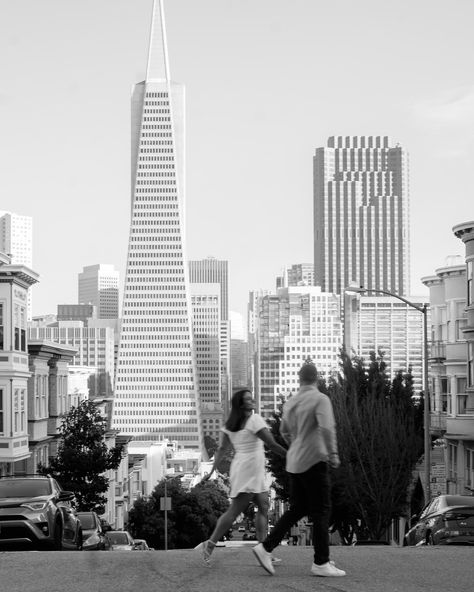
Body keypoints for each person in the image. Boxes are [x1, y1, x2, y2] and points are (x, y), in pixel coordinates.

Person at [253, 362, 346, 577]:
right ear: (317, 379)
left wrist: (297, 444)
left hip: (294, 462)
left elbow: (284, 432)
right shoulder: (320, 399)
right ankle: (321, 562)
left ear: (299, 379)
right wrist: (332, 454)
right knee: (322, 510)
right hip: (314, 461)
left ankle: (265, 547)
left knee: (298, 508)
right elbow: (326, 428)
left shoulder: (291, 402)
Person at [195, 388, 287, 565]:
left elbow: (221, 450)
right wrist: (290, 456)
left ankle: (264, 550)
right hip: (250, 470)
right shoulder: (254, 420)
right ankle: (210, 544)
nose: (252, 400)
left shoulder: (230, 425)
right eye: (248, 399)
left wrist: (212, 471)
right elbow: (271, 444)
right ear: (241, 404)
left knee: (263, 505)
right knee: (234, 511)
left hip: (246, 468)